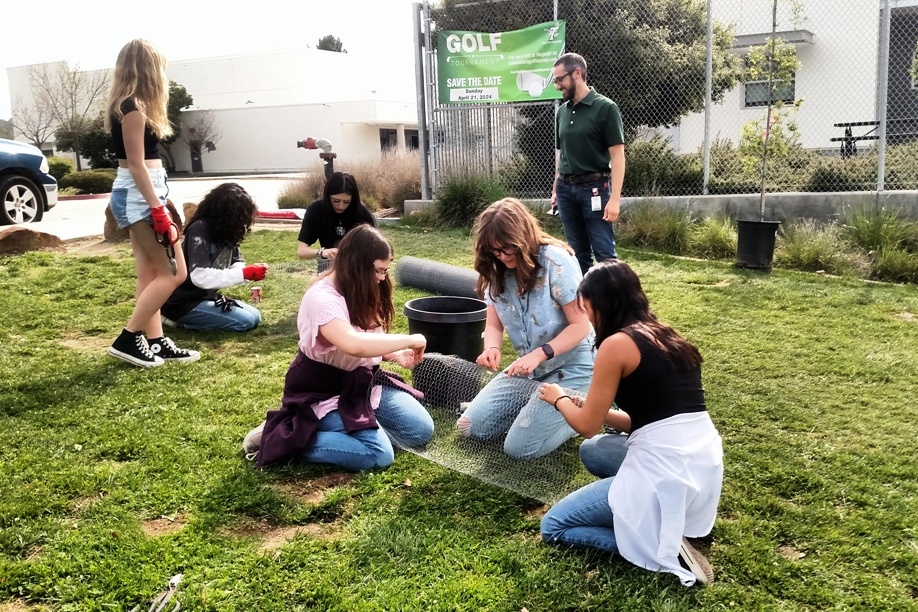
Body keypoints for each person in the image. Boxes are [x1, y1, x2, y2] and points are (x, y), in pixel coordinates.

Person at [538, 260, 723, 586]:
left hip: (662, 472)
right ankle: (660, 521)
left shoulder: (615, 345)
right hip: (700, 468)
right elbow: (649, 420)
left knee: (554, 526)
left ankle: (664, 548)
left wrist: (559, 399)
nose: (588, 316)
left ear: (602, 302)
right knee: (593, 452)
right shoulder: (667, 336)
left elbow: (586, 426)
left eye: (587, 307)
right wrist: (596, 409)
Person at [246, 224, 434, 470]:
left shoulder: (359, 288)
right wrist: (410, 339)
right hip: (324, 390)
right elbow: (353, 344)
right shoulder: (323, 299)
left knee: (419, 431)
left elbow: (368, 339)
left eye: (386, 270)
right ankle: (285, 435)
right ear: (357, 266)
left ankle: (355, 427)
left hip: (363, 384)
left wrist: (394, 354)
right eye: (378, 271)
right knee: (378, 454)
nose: (382, 278)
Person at [456, 198, 594, 460]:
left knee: (519, 448)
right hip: (531, 369)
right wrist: (492, 347)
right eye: (494, 251)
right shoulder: (495, 269)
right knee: (469, 427)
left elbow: (581, 326)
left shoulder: (555, 261)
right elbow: (494, 321)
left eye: (508, 248)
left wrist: (540, 353)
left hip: (573, 366)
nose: (503, 255)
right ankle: (534, 410)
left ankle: (580, 415)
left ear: (523, 237)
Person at [104, 39, 199, 367]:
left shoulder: (130, 105)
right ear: (147, 68)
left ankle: (156, 342)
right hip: (140, 197)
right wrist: (158, 208)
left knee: (149, 274)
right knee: (174, 273)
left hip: (140, 195)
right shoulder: (132, 108)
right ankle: (129, 338)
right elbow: (136, 163)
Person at [550, 52, 626, 274]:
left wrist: (614, 200)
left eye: (559, 79)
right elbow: (562, 152)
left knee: (605, 255)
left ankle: (614, 305)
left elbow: (618, 156)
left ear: (577, 73)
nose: (557, 86)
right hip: (565, 190)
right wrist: (556, 188)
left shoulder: (605, 108)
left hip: (595, 190)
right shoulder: (562, 112)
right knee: (577, 254)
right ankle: (585, 305)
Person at [160, 183, 267, 332]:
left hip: (205, 297)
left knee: (255, 316)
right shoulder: (199, 229)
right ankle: (174, 321)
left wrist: (248, 272)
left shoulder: (227, 230)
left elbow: (236, 261)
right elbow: (200, 277)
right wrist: (243, 274)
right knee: (246, 321)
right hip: (182, 302)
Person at [296, 172, 377, 267]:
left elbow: (378, 247)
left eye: (346, 202)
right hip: (329, 264)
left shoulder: (362, 213)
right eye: (336, 201)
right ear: (328, 196)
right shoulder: (316, 210)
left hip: (358, 266)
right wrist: (322, 252)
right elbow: (301, 251)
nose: (341, 206)